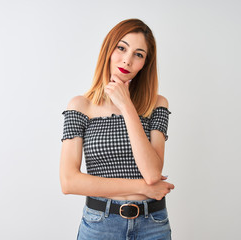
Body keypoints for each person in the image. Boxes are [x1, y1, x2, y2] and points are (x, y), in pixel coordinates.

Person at [60, 18, 175, 240]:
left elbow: (152, 173)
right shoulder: (80, 106)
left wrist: (127, 106)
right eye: (121, 48)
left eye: (138, 54)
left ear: (145, 64)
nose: (127, 60)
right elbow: (69, 181)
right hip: (100, 224)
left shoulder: (157, 104)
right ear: (108, 49)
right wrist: (143, 188)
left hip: (152, 224)